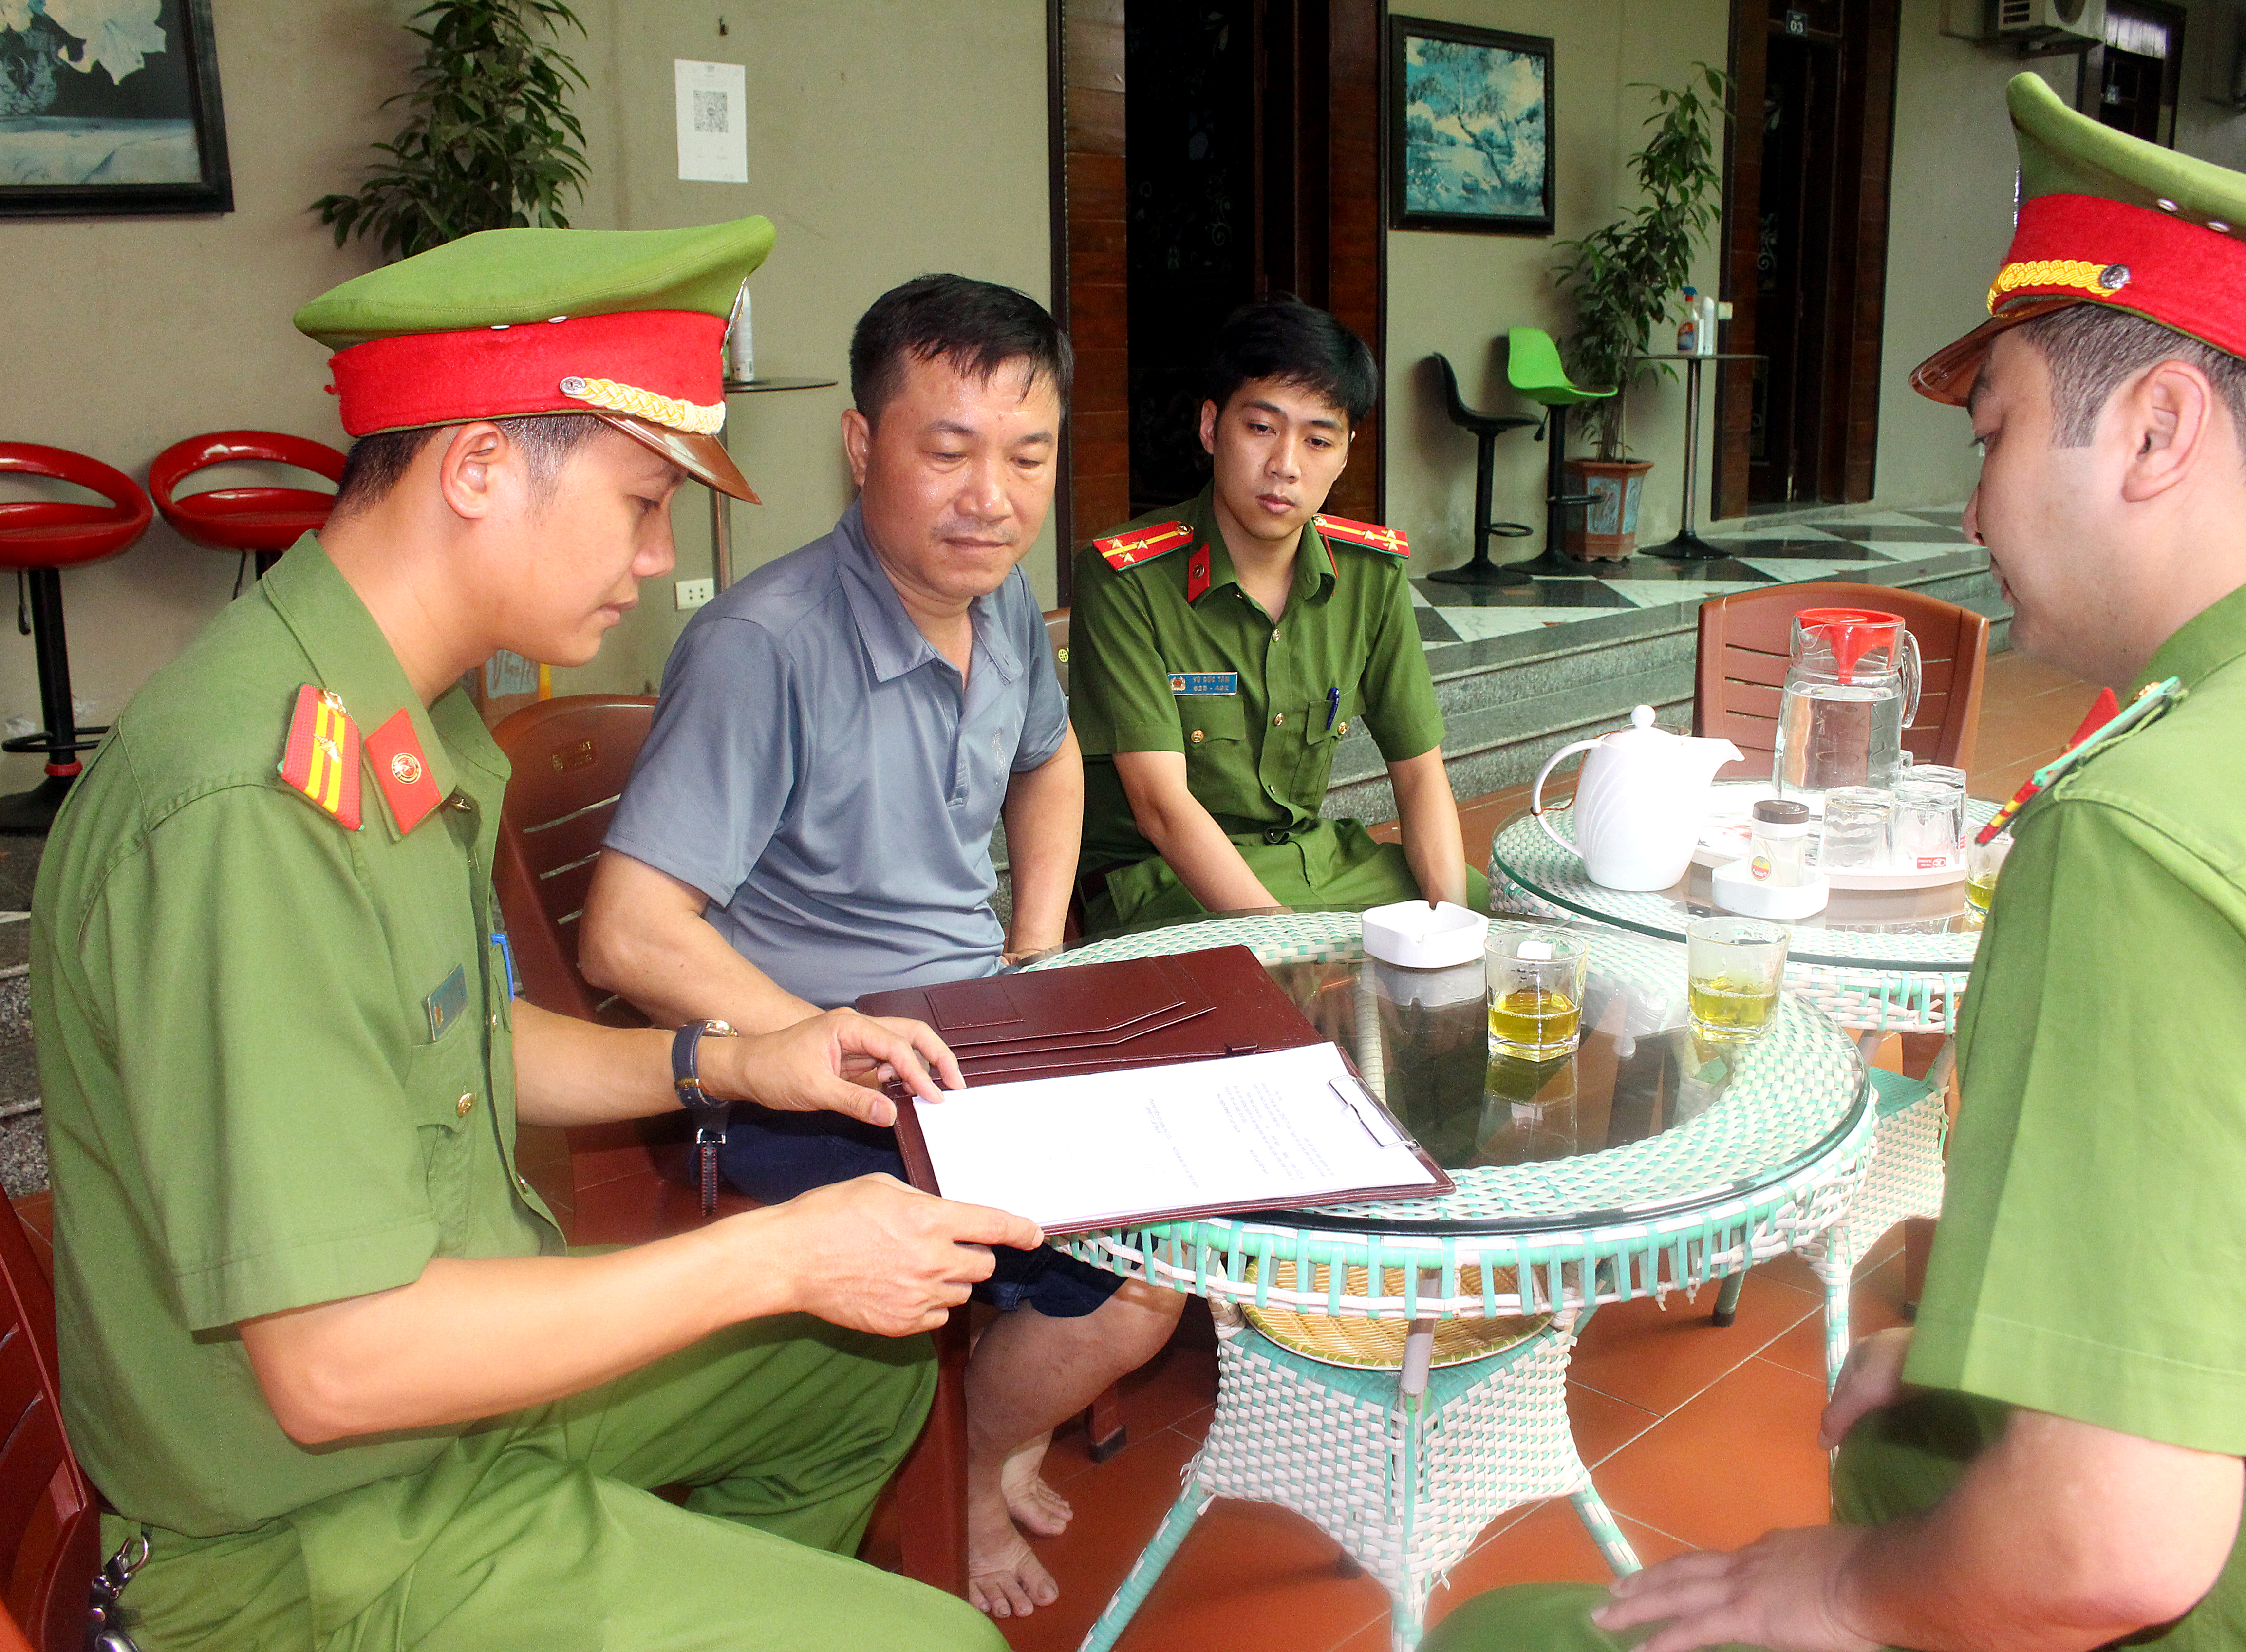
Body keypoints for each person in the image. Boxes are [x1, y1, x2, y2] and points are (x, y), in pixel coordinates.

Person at [1423, 73, 2246, 1652]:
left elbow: (2106, 1543)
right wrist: (1986, 1337)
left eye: (1996, 430)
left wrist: (1834, 1590)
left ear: (2154, 429)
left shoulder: (2158, 835)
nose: (1968, 502)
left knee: (1503, 1635)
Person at [30, 218, 1034, 1651]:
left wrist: (740, 1059)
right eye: (639, 499)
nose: (655, 555)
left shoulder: (399, 707)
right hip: (313, 1540)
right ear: (480, 470)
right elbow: (334, 1366)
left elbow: (459, 1043)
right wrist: (783, 1256)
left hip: (461, 1414)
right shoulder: (252, 804)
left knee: (855, 1374)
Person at [579, 273, 1183, 1621]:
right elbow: (625, 931)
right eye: (947, 449)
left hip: (972, 1030)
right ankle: (966, 1478)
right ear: (862, 448)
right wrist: (798, 1039)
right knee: (1114, 1273)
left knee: (1157, 1255)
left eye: (1028, 457)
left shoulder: (1007, 604)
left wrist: (1033, 949)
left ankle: (980, 1438)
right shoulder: (766, 646)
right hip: (808, 1071)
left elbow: (1051, 762)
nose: (994, 498)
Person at [1069, 298, 1485, 931]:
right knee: (1285, 997)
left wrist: (1454, 927)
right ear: (1211, 428)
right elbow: (1161, 808)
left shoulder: (1370, 576)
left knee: (1506, 925)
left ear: (1345, 453)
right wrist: (1290, 943)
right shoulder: (1126, 579)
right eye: (1261, 428)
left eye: (1318, 440)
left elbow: (1421, 775)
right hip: (1166, 882)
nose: (1286, 466)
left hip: (1313, 861)